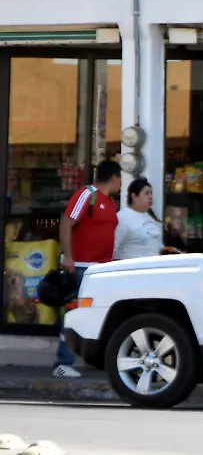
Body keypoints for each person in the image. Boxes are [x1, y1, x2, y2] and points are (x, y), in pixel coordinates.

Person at [55, 160, 122, 378]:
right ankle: (63, 362)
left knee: (98, 313)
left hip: (102, 269)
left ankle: (91, 358)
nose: (121, 184)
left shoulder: (110, 203)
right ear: (113, 178)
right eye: (120, 179)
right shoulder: (88, 194)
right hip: (83, 266)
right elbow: (66, 222)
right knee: (75, 313)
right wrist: (68, 256)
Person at [114, 178, 178, 260]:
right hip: (133, 266)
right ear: (134, 196)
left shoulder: (149, 216)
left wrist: (165, 250)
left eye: (151, 193)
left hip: (153, 265)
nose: (150, 197)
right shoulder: (122, 218)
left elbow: (153, 244)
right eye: (146, 193)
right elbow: (112, 248)